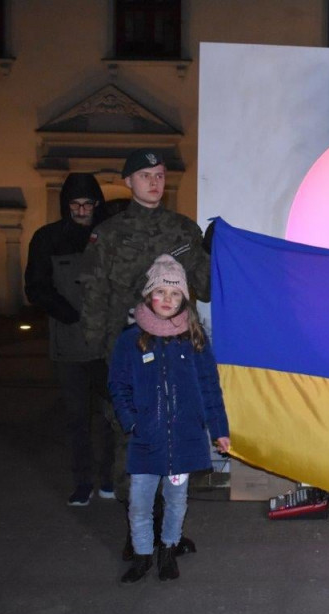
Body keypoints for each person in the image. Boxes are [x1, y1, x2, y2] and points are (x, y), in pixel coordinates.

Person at [79, 148, 211, 556]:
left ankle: (169, 528)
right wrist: (98, 358)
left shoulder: (184, 229)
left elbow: (203, 288)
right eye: (144, 175)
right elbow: (94, 296)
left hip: (178, 352)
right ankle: (138, 530)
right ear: (128, 181)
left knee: (177, 435)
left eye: (159, 175)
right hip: (131, 350)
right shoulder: (110, 234)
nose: (154, 182)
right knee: (131, 438)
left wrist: (214, 252)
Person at [109, 255, 230, 583]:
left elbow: (209, 387)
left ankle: (168, 551)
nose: (167, 300)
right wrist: (132, 421)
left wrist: (219, 430)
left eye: (175, 294)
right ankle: (142, 554)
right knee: (139, 503)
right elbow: (117, 384)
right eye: (161, 292)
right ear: (149, 295)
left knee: (176, 501)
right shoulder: (130, 340)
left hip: (184, 439)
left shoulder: (194, 339)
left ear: (184, 299)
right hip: (145, 440)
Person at [24, 173, 115, 506]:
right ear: (67, 206)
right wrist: (71, 315)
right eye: (75, 204)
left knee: (111, 416)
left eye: (87, 204)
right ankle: (82, 482)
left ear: (96, 204)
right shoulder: (47, 238)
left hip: (107, 344)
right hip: (70, 345)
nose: (81, 210)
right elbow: (36, 287)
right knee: (76, 418)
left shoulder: (109, 235)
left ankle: (109, 477)